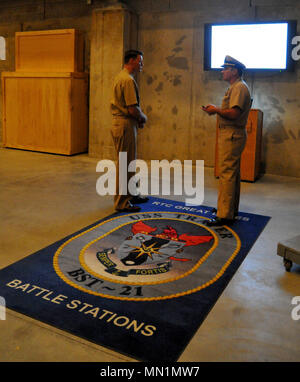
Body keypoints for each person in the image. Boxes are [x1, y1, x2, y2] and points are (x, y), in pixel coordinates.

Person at [202, 55, 251, 226]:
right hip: (232, 134)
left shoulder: (238, 87)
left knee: (227, 174)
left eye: (225, 69)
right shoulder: (237, 86)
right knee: (232, 173)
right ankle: (229, 209)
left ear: (234, 71)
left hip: (232, 134)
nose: (222, 71)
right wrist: (216, 110)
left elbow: (234, 113)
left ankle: (225, 215)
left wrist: (215, 110)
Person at [110, 49, 148, 212]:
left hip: (125, 124)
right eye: (140, 61)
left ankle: (132, 193)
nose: (141, 65)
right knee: (125, 164)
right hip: (125, 124)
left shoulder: (122, 77)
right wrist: (143, 117)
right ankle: (122, 203)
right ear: (131, 61)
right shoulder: (127, 80)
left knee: (129, 162)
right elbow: (132, 108)